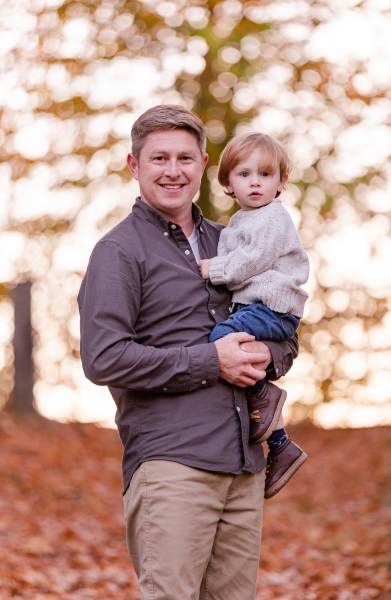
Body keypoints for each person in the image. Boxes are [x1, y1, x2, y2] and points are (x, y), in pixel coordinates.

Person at [78, 105, 299, 600]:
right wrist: (211, 361)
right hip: (171, 464)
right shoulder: (118, 252)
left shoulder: (235, 243)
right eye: (158, 158)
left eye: (184, 158)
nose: (172, 171)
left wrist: (267, 353)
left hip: (244, 467)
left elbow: (287, 329)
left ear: (203, 164)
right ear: (134, 166)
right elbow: (104, 357)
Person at [198, 132, 309, 499]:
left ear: (280, 182)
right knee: (235, 362)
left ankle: (265, 393)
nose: (255, 182)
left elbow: (253, 261)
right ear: (227, 182)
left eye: (265, 174)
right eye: (244, 175)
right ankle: (281, 444)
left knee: (220, 343)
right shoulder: (239, 222)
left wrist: (212, 269)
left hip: (271, 310)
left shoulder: (272, 217)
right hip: (256, 308)